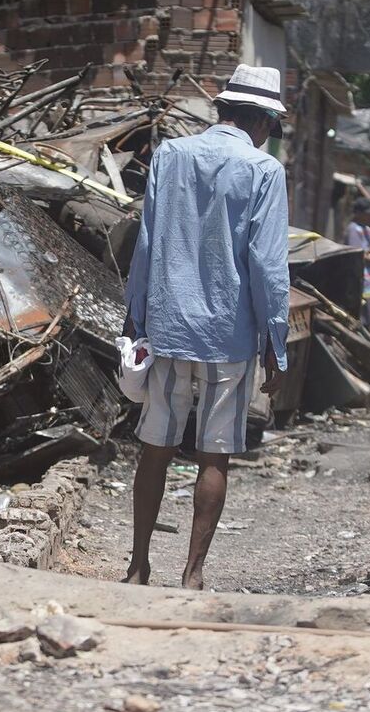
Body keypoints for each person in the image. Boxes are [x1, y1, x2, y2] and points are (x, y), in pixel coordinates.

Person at [122, 64, 290, 590]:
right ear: (262, 121)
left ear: (225, 109)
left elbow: (146, 243)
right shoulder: (264, 170)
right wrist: (276, 343)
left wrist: (136, 316)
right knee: (214, 453)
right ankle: (192, 575)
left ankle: (138, 566)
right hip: (229, 335)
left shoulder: (170, 155)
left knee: (156, 447)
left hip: (168, 326)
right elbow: (267, 266)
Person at [344, 197, 370, 328]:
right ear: (359, 213)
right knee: (361, 318)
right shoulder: (353, 229)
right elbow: (358, 255)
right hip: (359, 281)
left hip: (369, 281)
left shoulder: (366, 229)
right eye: (368, 214)